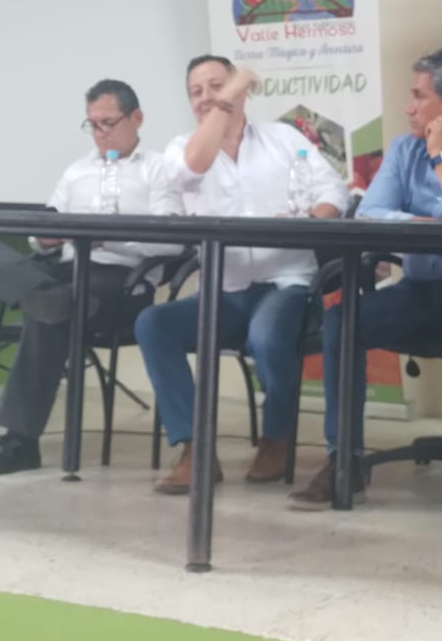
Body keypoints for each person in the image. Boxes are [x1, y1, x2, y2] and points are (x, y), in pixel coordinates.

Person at [287, 48, 442, 510]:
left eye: (418, 96)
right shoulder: (403, 149)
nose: (408, 107)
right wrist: (430, 224)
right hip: (418, 288)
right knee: (343, 320)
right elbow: (371, 213)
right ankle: (344, 461)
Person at [135, 55, 349, 494]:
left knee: (267, 335)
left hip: (287, 283)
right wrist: (225, 100)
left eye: (217, 86)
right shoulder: (183, 149)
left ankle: (277, 438)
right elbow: (191, 168)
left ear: (241, 93)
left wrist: (311, 219)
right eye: (196, 92)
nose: (206, 99)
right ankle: (195, 448)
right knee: (154, 323)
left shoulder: (284, 138)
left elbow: (333, 190)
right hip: (224, 291)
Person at [0, 80, 183, 476]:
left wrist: (106, 237)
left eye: (108, 123)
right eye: (92, 125)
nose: (100, 133)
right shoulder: (77, 170)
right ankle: (46, 297)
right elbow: (45, 228)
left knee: (48, 315)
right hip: (64, 271)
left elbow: (172, 241)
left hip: (119, 282)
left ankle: (19, 442)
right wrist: (45, 238)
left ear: (137, 118)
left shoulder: (159, 169)